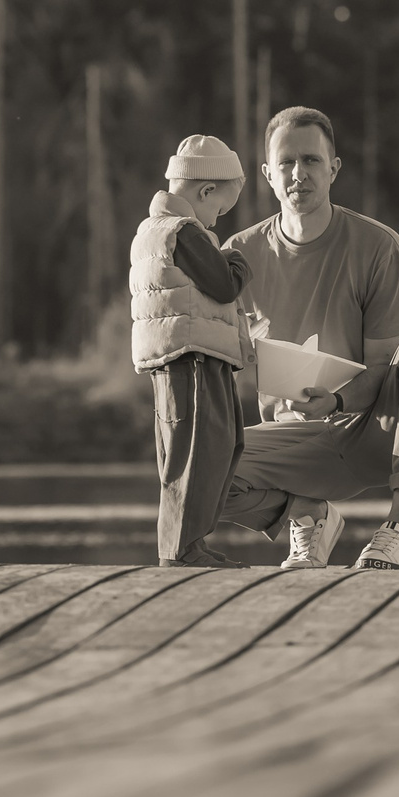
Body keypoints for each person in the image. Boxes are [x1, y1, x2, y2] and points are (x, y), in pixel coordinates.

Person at [221, 105, 399, 569]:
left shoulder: (379, 247)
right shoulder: (238, 256)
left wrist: (332, 402)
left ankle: (396, 533)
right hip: (290, 440)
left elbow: (382, 368)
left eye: (312, 161)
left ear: (333, 169)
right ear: (267, 174)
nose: (299, 173)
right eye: (287, 163)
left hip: (370, 431)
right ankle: (308, 516)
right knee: (195, 470)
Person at [131, 134, 255, 566]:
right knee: (203, 448)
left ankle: (188, 544)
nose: (217, 220)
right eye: (219, 209)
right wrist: (237, 259)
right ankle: (183, 550)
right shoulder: (183, 232)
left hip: (183, 355)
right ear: (205, 191)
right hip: (194, 357)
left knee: (203, 447)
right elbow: (223, 284)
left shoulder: (151, 231)